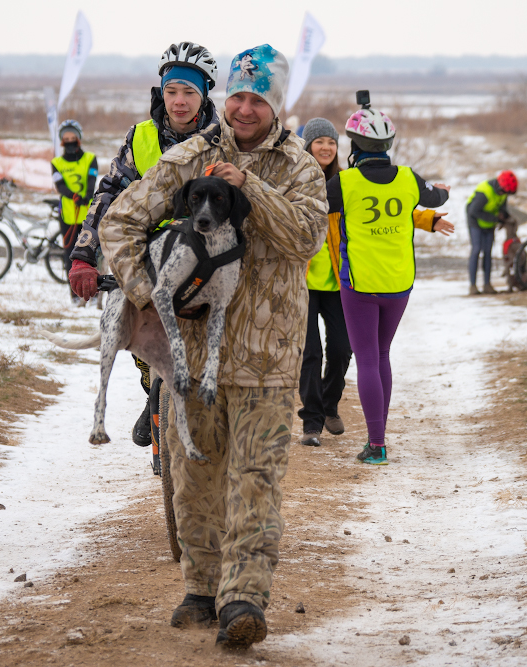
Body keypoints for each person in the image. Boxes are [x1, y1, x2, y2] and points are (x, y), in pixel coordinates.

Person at [99, 44, 327, 650]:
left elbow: (305, 238)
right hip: (193, 361)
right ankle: (200, 590)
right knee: (195, 480)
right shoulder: (191, 155)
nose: (245, 109)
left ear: (275, 104)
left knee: (256, 481)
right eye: (238, 97)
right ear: (224, 99)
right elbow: (117, 221)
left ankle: (243, 600)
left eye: (258, 99)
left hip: (269, 360)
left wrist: (248, 185)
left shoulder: (300, 166)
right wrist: (149, 294)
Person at [68, 41, 219, 447]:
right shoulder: (141, 138)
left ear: (205, 93)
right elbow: (108, 194)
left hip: (206, 259)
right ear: (161, 93)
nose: (180, 101)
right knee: (142, 342)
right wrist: (82, 254)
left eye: (189, 92)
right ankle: (153, 393)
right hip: (145, 257)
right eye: (171, 92)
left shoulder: (223, 141)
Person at [326, 95, 453, 465]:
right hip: (400, 285)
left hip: (360, 285)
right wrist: (439, 192)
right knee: (382, 355)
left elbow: (309, 203)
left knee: (366, 359)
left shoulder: (343, 183)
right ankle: (378, 439)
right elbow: (438, 194)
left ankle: (376, 445)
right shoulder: (408, 179)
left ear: (354, 145)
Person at [298, 118, 351, 447]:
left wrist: (427, 218)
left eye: (331, 142)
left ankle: (330, 405)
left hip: (339, 283)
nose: (326, 147)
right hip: (301, 284)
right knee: (310, 354)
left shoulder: (348, 184)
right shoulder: (297, 182)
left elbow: (391, 209)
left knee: (343, 350)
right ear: (308, 146)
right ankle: (312, 422)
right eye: (320, 142)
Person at [50, 119, 97, 304]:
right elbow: (60, 186)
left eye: (73, 137)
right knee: (70, 255)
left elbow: (92, 181)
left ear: (79, 139)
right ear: (62, 141)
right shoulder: (56, 162)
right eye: (66, 138)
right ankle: (75, 295)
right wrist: (74, 196)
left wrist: (86, 196)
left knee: (91, 255)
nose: (70, 141)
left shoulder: (90, 159)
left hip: (89, 217)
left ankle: (94, 293)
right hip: (68, 216)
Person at [465, 170, 518, 295]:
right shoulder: (484, 192)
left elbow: (502, 207)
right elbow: (473, 211)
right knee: (476, 249)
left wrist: (504, 215)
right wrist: (495, 218)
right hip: (475, 221)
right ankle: (472, 286)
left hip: (489, 223)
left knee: (488, 251)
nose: (505, 194)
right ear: (500, 186)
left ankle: (487, 285)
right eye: (504, 192)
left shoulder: (503, 192)